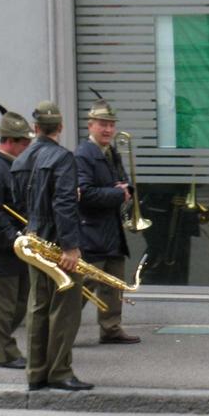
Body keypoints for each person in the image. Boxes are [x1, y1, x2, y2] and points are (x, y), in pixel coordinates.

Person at [11, 101, 93, 391]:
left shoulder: (20, 160)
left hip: (34, 239)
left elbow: (19, 203)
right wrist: (70, 247)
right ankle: (59, 371)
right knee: (65, 308)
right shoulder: (62, 158)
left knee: (38, 306)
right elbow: (64, 204)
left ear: (35, 128)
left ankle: (36, 372)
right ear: (60, 127)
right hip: (57, 242)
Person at [74, 96, 140, 344]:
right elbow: (84, 193)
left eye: (111, 124)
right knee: (86, 285)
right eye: (102, 124)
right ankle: (62, 330)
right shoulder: (84, 154)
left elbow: (122, 182)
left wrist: (128, 189)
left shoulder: (111, 152)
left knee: (114, 281)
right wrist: (117, 192)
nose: (108, 129)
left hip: (112, 227)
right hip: (91, 230)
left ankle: (111, 328)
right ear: (90, 125)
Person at [0, 105, 33, 369]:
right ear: (9, 141)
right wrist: (15, 239)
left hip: (15, 245)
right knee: (5, 306)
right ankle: (6, 353)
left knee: (20, 301)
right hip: (2, 248)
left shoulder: (10, 165)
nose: (27, 147)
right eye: (24, 142)